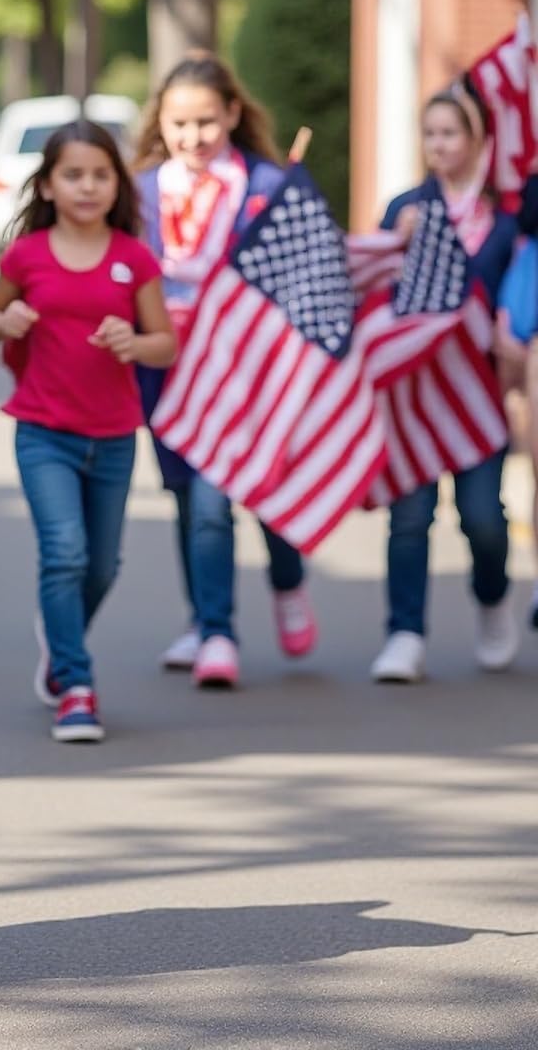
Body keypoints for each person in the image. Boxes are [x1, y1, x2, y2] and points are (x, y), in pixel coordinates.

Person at [0, 122, 175, 742]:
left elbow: (165, 344)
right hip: (43, 432)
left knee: (102, 566)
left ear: (118, 184)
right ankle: (76, 684)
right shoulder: (27, 255)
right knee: (65, 551)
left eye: (100, 175)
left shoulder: (132, 257)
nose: (88, 186)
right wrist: (3, 320)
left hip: (113, 437)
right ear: (50, 185)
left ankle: (58, 635)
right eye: (73, 175)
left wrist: (134, 342)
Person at [134, 53, 319, 688]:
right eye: (179, 124)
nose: (192, 138)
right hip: (167, 365)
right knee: (190, 498)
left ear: (234, 115)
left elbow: (305, 272)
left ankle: (275, 590)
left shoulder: (267, 187)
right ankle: (206, 620)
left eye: (207, 122)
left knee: (256, 488)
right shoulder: (138, 192)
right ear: (160, 120)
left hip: (247, 366)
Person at [371, 86, 521, 683]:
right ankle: (405, 632)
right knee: (410, 516)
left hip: (478, 393)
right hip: (414, 394)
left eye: (449, 133)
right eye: (429, 134)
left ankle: (492, 599)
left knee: (483, 517)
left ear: (478, 137)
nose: (438, 145)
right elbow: (380, 297)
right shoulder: (405, 207)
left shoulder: (506, 219)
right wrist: (399, 245)